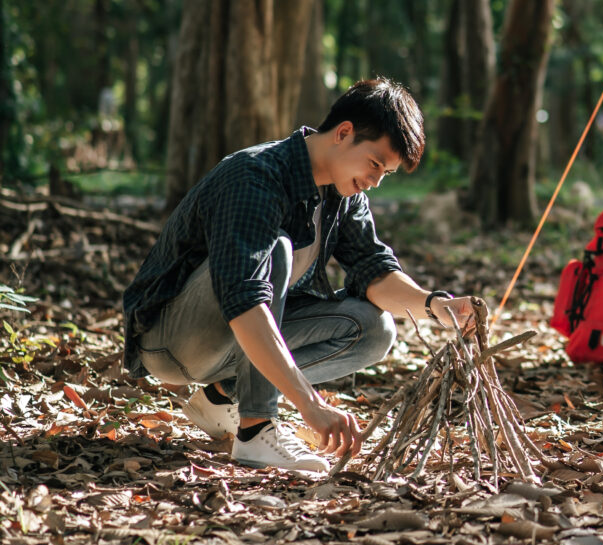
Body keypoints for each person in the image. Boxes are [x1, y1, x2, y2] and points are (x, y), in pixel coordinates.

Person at [122, 78, 479, 474]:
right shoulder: (255, 176)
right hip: (173, 341)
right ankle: (256, 431)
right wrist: (309, 405)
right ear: (343, 133)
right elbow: (245, 300)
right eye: (375, 163)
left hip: (231, 341)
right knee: (276, 250)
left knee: (374, 328)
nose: (376, 180)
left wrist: (436, 306)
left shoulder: (344, 196)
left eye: (387, 173)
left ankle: (222, 397)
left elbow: (376, 272)